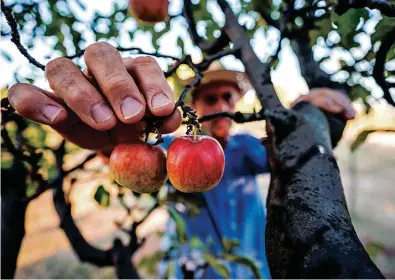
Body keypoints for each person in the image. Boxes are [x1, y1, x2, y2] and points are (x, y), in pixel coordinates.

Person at [7, 43, 355, 278]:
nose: (221, 103)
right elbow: (134, 159)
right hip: (192, 271)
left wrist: (312, 118)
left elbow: (296, 153)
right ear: (197, 105)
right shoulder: (170, 148)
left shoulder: (246, 149)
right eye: (211, 97)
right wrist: (109, 129)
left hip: (251, 268)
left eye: (228, 97)